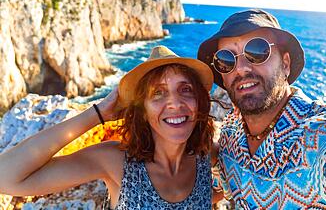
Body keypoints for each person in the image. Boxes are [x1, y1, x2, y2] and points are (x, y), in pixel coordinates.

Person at [0, 45, 215, 209]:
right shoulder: (118, 162)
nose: (175, 103)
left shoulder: (206, 156)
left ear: (199, 101)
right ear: (142, 110)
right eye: (157, 93)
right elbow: (6, 177)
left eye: (185, 89)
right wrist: (99, 113)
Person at [197, 9, 326, 209]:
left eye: (257, 51)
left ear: (285, 64)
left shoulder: (322, 135)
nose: (241, 68)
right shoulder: (231, 134)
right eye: (226, 60)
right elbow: (219, 189)